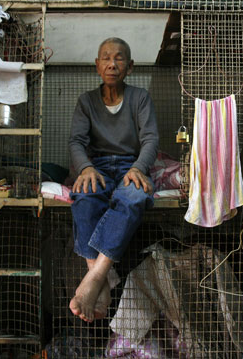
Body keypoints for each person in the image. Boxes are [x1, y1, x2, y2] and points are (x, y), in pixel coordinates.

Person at [68, 37, 159, 323]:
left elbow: (150, 139)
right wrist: (84, 168)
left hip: (131, 166)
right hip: (98, 168)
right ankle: (102, 279)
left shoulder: (140, 98)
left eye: (119, 58)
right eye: (106, 57)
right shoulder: (86, 102)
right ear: (97, 65)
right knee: (84, 197)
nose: (112, 63)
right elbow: (76, 142)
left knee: (134, 197)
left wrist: (139, 168)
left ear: (129, 66)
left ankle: (96, 277)